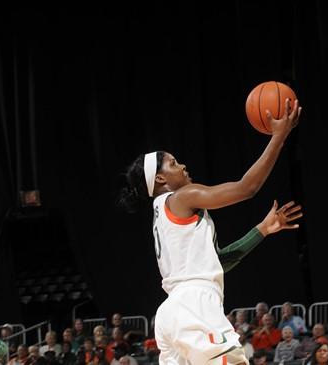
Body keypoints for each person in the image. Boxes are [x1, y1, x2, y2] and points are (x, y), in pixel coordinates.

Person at [115, 98, 301, 365]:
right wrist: (278, 137)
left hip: (173, 313)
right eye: (173, 163)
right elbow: (246, 188)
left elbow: (219, 261)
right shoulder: (181, 197)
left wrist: (262, 230)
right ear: (160, 179)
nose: (182, 166)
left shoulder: (162, 213)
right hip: (194, 306)